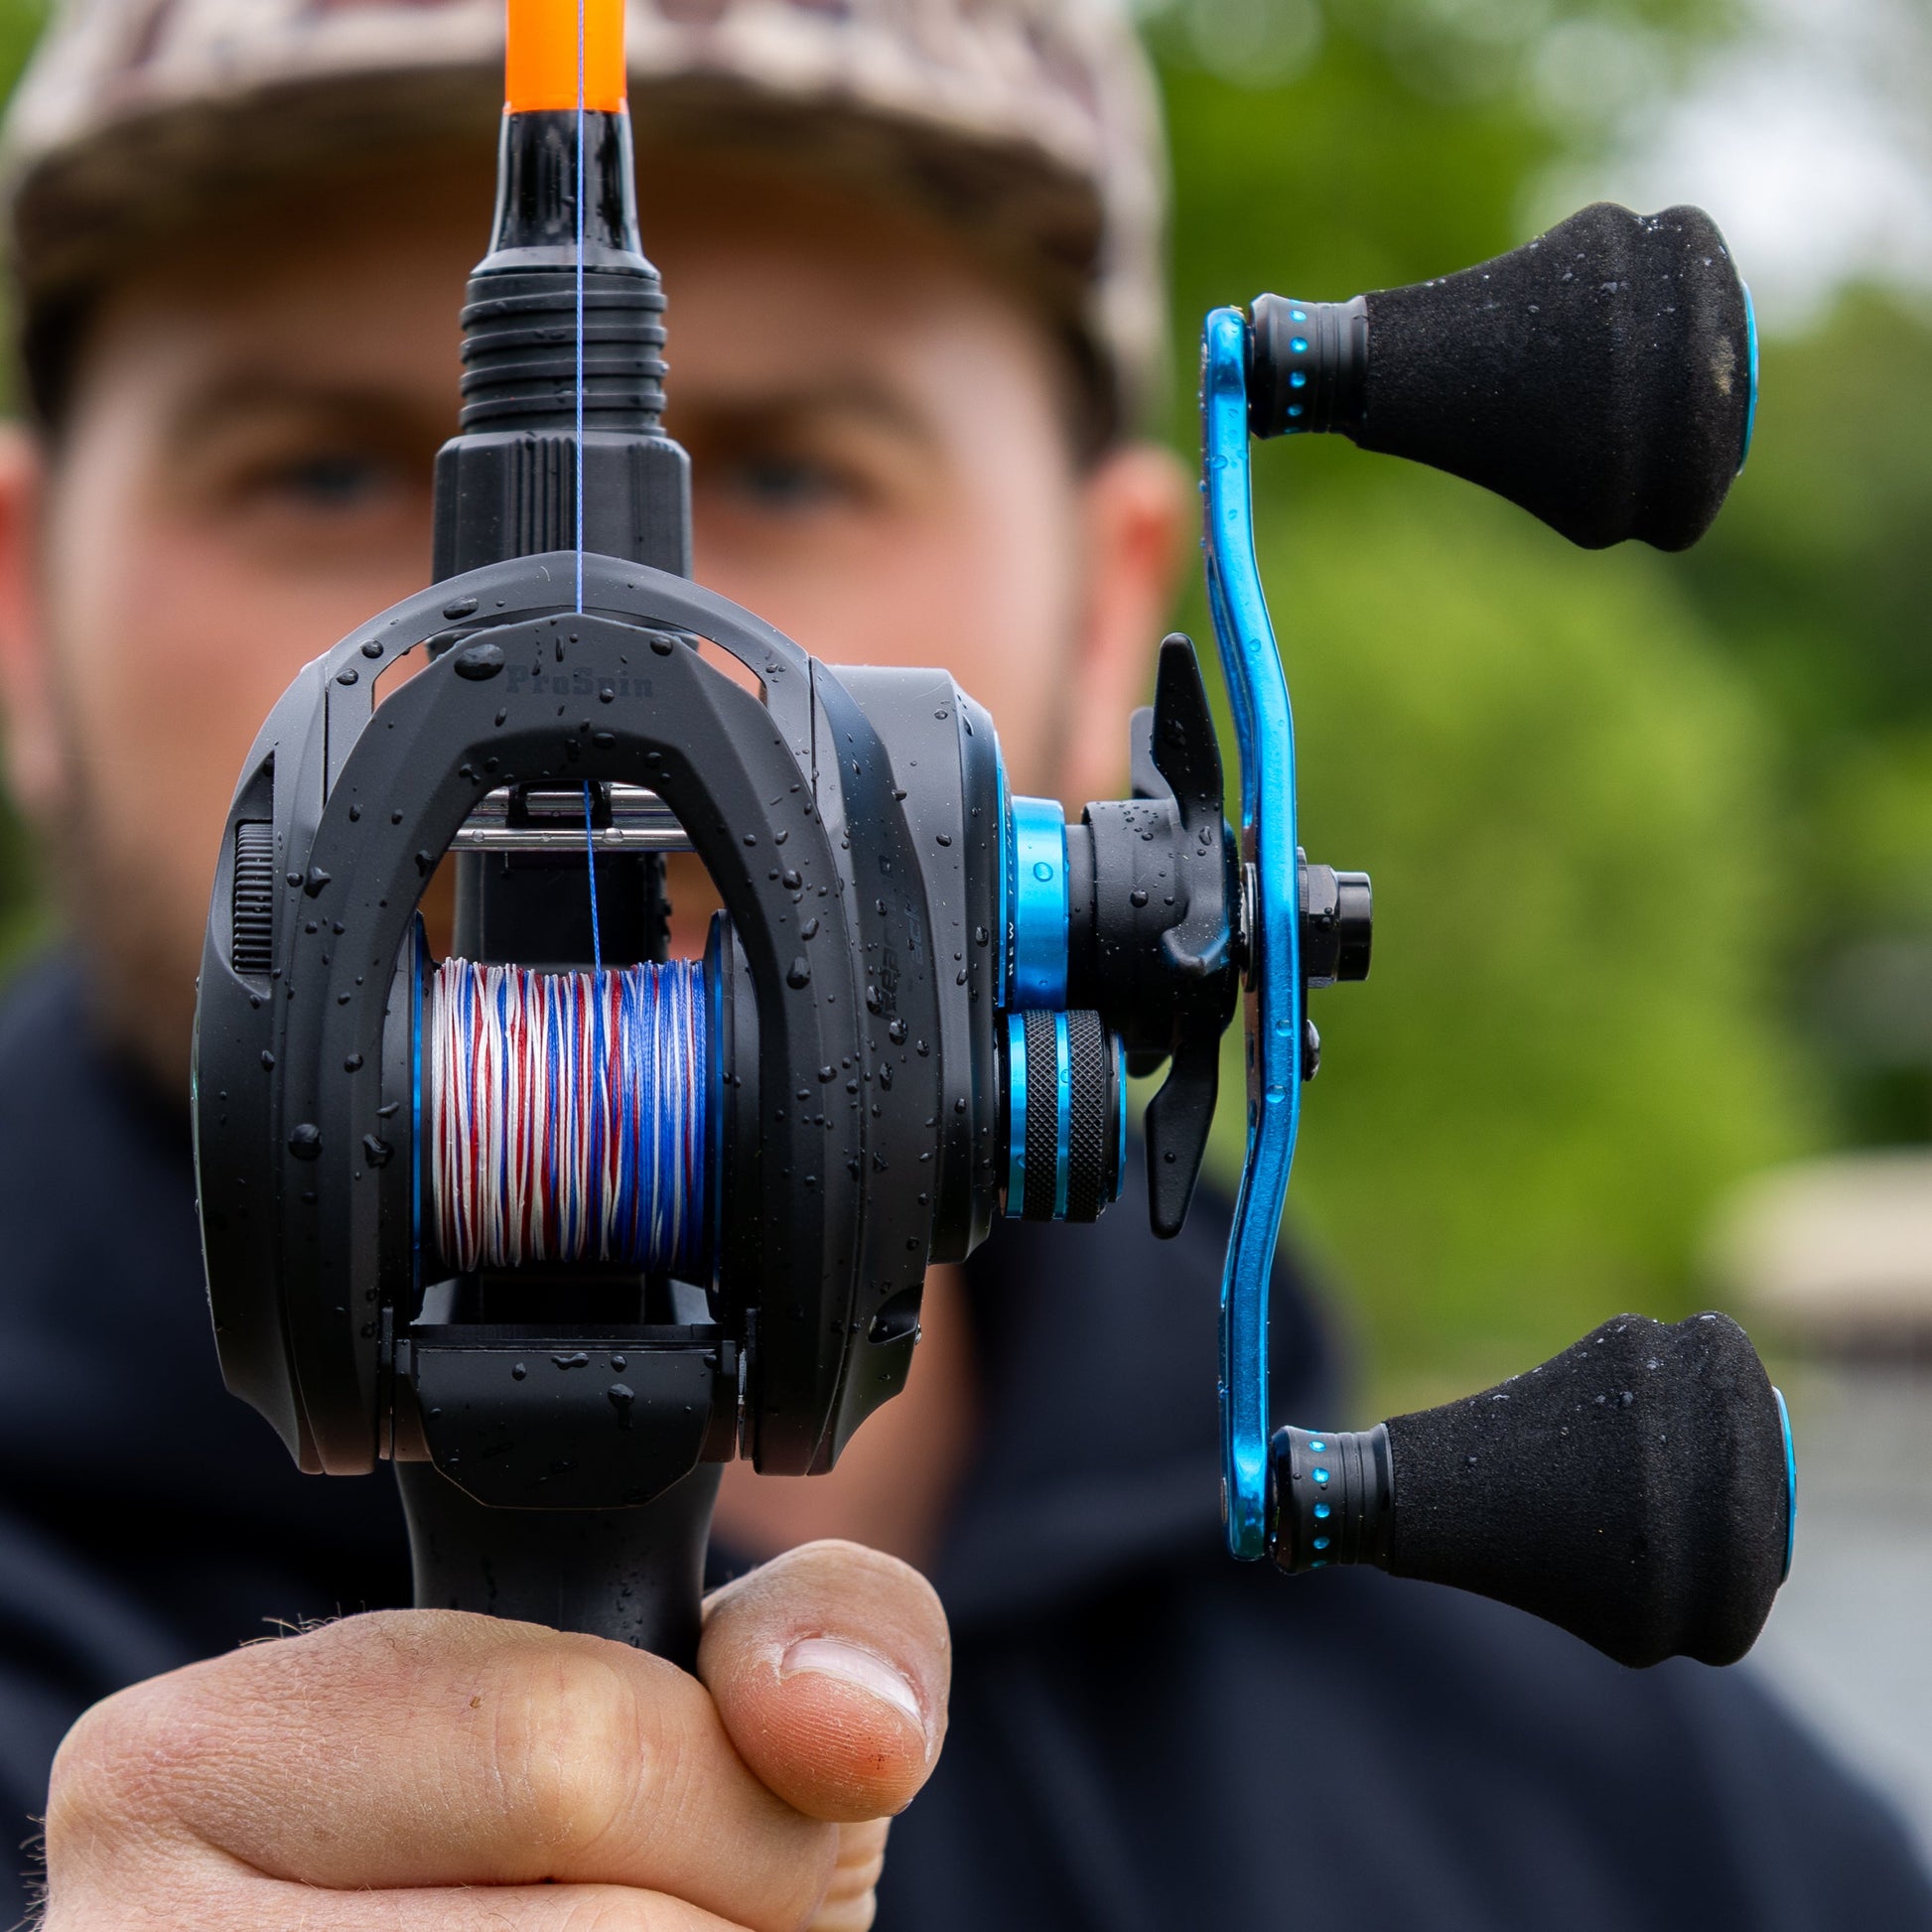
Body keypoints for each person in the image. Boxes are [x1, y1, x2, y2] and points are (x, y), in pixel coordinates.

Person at [0, 1, 1925, 1926]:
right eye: (313, 472)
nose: (578, 648)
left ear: (1107, 614)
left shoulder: (1663, 1839)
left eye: (798, 471)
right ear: (21, 601)